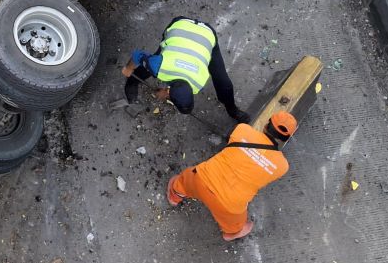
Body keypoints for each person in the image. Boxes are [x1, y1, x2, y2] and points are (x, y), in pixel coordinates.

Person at [167, 111, 297, 241]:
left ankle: (175, 196)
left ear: (266, 125)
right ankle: (231, 233)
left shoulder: (242, 129)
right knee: (238, 227)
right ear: (285, 140)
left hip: (201, 179)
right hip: (229, 206)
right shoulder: (282, 166)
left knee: (181, 183)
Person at [122, 16, 250, 123]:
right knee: (150, 66)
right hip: (179, 26)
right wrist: (128, 68)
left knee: (224, 83)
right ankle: (132, 82)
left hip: (206, 35)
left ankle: (232, 110)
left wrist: (167, 92)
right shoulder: (160, 66)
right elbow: (137, 55)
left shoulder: (199, 81)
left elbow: (176, 88)